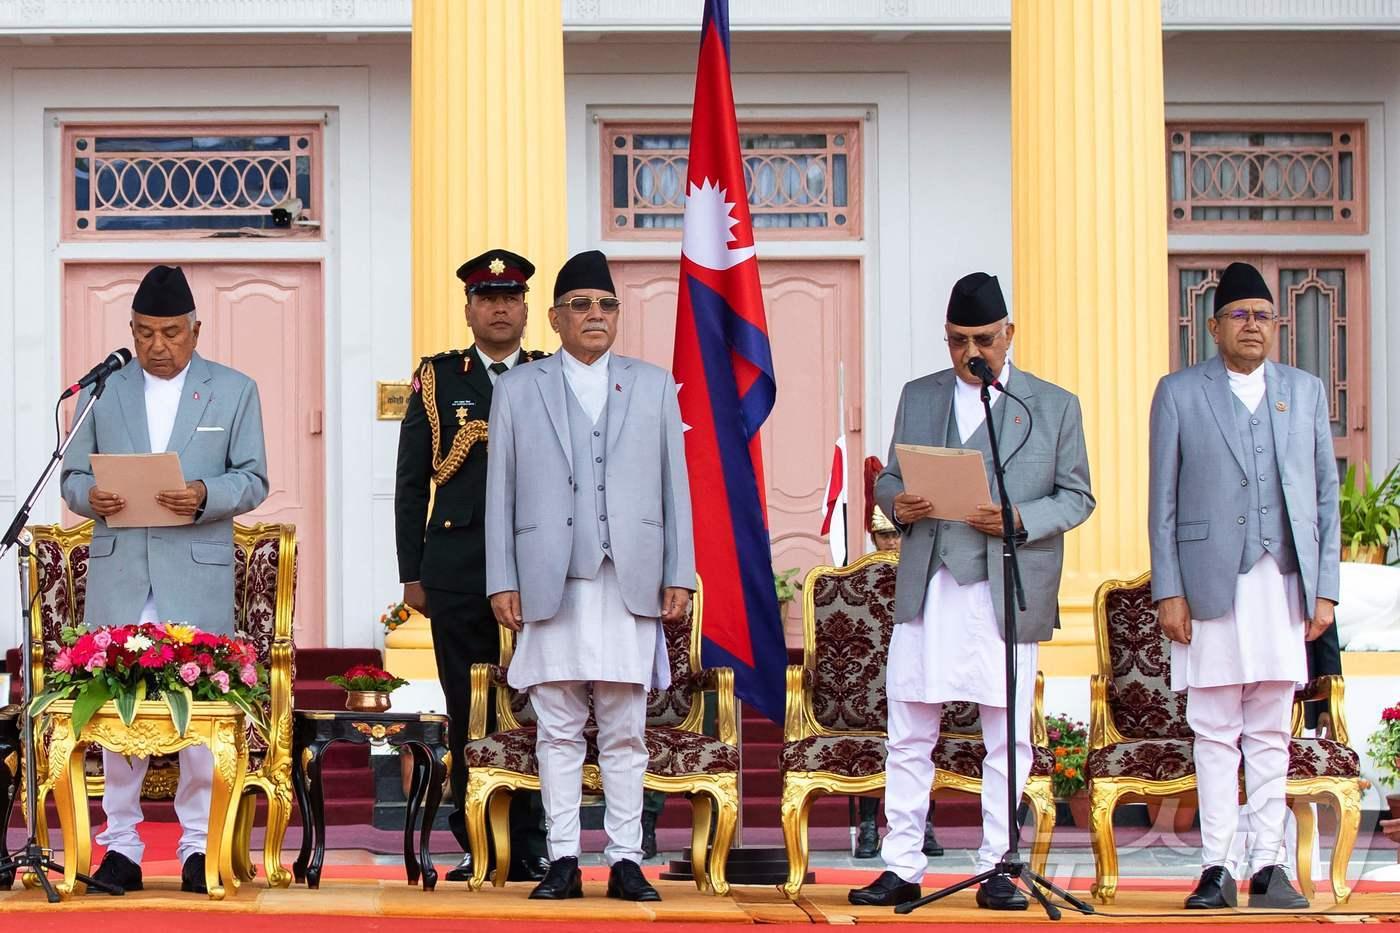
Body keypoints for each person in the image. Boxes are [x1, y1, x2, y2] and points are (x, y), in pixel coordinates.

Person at [848, 272, 1094, 910]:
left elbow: (1077, 497)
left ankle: (998, 867)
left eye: (982, 339)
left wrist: (1018, 518)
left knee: (1005, 734)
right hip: (930, 581)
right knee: (909, 728)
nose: (969, 353)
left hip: (1004, 585)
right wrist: (897, 502)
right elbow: (889, 481)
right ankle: (901, 864)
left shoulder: (1052, 405)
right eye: (957, 340)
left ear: (1008, 333)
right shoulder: (920, 395)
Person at [485, 249, 694, 901]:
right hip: (550, 579)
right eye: (581, 305)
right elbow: (502, 491)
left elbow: (674, 488)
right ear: (554, 318)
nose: (595, 315)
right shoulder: (519, 388)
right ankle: (565, 858)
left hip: (629, 577)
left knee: (626, 722)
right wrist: (501, 577)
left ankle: (628, 857)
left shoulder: (654, 385)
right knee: (557, 721)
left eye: (605, 305)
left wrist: (679, 571)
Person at [60, 264, 269, 895]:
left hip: (194, 577)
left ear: (195, 330)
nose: (158, 345)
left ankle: (198, 848)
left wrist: (206, 492)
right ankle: (119, 848)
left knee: (197, 719)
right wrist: (92, 497)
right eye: (146, 332)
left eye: (172, 332)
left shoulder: (233, 390)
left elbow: (254, 479)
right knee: (118, 715)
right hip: (122, 577)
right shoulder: (104, 392)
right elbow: (70, 479)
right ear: (131, 329)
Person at [1148, 261, 1339, 910]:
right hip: (1207, 584)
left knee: (1268, 729)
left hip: (1283, 582)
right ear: (1214, 326)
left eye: (1262, 315)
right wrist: (1167, 589)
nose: (1252, 325)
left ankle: (1269, 863)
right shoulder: (1178, 393)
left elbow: (1326, 499)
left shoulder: (1305, 391)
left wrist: (1326, 589)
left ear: (1275, 325)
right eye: (1240, 314)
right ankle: (1215, 866)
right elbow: (1163, 503)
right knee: (1213, 725)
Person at [394, 249, 550, 883]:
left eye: (510, 298)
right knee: (468, 705)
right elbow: (410, 483)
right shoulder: (438, 379)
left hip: (540, 569)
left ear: (526, 308)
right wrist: (413, 572)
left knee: (540, 703)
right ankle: (476, 840)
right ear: (468, 310)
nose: (500, 308)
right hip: (457, 567)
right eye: (487, 298)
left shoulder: (549, 374)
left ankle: (538, 838)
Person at [853, 457, 942, 861]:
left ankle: (925, 826)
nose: (889, 542)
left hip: (921, 669)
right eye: (882, 534)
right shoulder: (856, 579)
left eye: (893, 534)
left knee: (925, 733)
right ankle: (871, 828)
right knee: (889, 735)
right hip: (870, 687)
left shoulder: (931, 573)